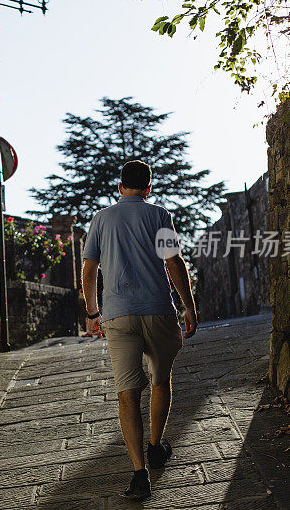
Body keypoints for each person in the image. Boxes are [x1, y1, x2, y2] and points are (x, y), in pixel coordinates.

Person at [81, 160, 198, 501]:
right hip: (159, 311)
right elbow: (174, 262)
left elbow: (89, 269)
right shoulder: (159, 215)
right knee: (161, 381)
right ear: (149, 188)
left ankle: (138, 473)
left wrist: (92, 312)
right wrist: (189, 306)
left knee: (126, 393)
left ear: (120, 187)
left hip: (117, 316)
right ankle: (155, 446)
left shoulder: (101, 219)